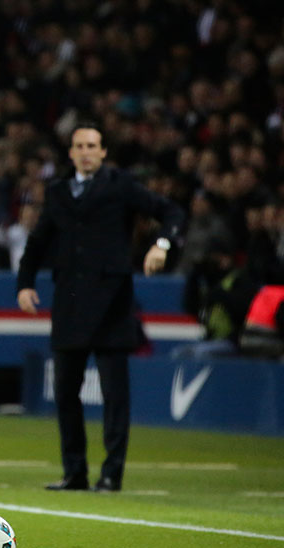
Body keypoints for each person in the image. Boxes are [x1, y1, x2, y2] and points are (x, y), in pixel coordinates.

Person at [16, 122, 184, 493]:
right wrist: (24, 284)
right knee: (65, 393)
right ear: (71, 152)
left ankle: (111, 474)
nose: (86, 152)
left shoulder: (120, 185)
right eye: (80, 146)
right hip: (70, 303)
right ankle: (74, 472)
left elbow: (170, 211)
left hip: (112, 304)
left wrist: (162, 245)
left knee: (114, 395)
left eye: (92, 145)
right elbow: (38, 241)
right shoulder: (58, 191)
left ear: (103, 152)